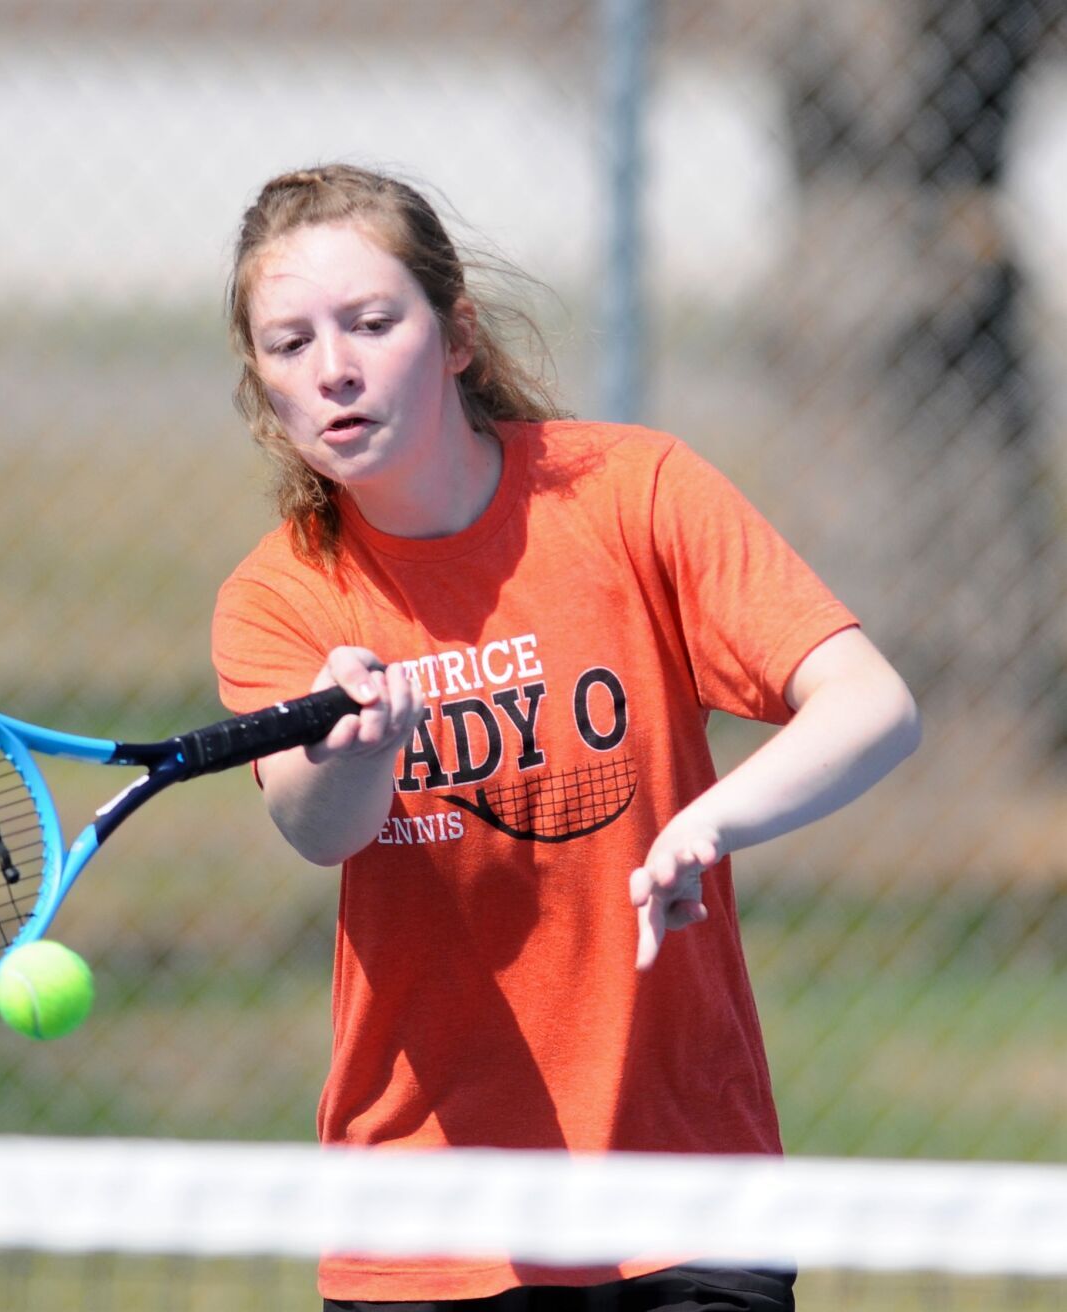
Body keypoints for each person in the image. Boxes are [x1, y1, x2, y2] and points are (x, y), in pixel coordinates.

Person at [210, 164, 922, 1312]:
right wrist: (352, 745)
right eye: (287, 343)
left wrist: (707, 821)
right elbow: (317, 829)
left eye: (371, 322)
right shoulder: (277, 598)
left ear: (454, 337)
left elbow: (868, 703)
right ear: (263, 382)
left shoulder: (632, 493)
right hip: (423, 1213)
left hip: (685, 1191)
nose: (331, 366)